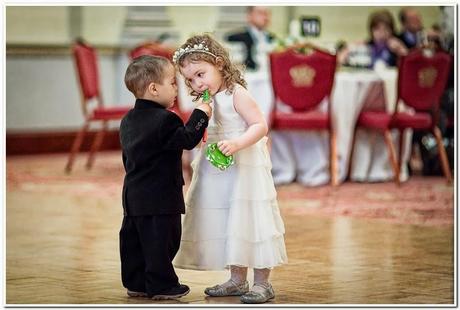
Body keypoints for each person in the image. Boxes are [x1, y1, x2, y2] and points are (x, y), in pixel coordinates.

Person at [172, 34, 287, 304]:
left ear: (220, 64)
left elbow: (260, 125)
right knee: (228, 219)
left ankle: (262, 283)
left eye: (201, 74)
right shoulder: (204, 100)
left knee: (249, 217)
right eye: (190, 79)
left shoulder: (237, 93)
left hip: (244, 168)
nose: (196, 83)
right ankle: (236, 279)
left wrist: (237, 143)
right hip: (217, 170)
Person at [119, 55, 212, 300]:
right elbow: (188, 139)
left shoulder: (127, 120)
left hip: (133, 195)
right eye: (172, 83)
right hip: (161, 196)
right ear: (153, 88)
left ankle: (136, 282)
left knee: (135, 241)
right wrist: (201, 113)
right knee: (162, 241)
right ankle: (162, 284)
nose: (176, 89)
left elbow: (127, 157)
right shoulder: (166, 120)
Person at [225, 6, 275, 71]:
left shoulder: (272, 38)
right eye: (260, 13)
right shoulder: (235, 38)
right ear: (249, 16)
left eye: (267, 13)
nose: (265, 17)